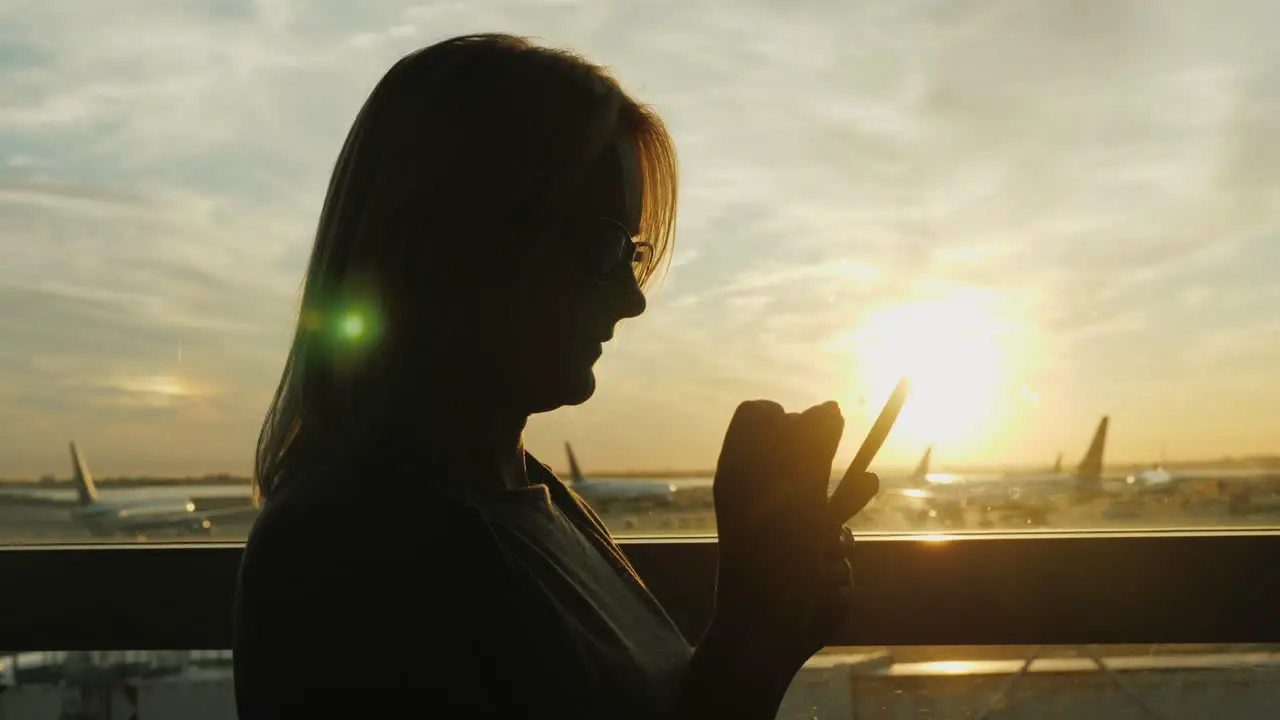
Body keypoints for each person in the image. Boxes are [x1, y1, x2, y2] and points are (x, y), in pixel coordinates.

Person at [232, 32, 877, 720]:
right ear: (454, 240)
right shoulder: (347, 554)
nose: (632, 299)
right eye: (601, 246)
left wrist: (771, 632)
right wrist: (752, 631)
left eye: (634, 253)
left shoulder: (528, 499)